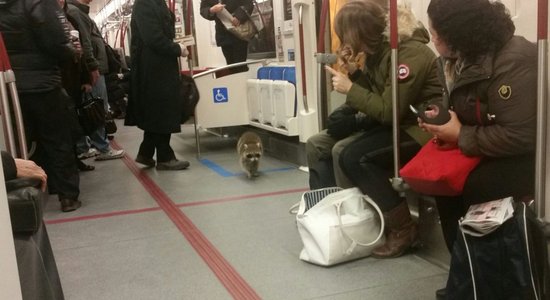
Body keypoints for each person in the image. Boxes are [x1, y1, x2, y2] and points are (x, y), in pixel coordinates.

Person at [308, 0, 441, 258]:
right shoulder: (377, 52)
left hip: (419, 128)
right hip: (393, 123)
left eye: (345, 35)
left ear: (358, 33)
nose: (343, 41)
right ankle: (329, 214)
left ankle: (401, 228)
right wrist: (356, 73)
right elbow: (378, 94)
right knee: (318, 144)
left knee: (351, 154)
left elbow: (389, 110)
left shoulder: (408, 53)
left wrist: (351, 88)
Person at [423, 0, 537, 298]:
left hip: (528, 156)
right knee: (443, 185)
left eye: (437, 32)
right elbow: (466, 112)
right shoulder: (457, 61)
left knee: (475, 187)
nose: (433, 38)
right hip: (487, 144)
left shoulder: (514, 59)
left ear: (459, 31)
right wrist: (443, 124)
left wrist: (460, 133)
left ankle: (488, 279)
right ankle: (467, 272)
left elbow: (522, 135)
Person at [0, 0, 83, 212]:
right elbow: (55, 42)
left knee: (22, 143)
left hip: (9, 87)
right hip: (44, 83)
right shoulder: (38, 2)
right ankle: (67, 196)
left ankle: (26, 197)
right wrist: (72, 51)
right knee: (58, 139)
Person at [125, 0, 191, 170]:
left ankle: (146, 152)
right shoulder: (145, 5)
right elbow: (153, 38)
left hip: (161, 66)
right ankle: (165, 157)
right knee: (162, 110)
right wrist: (177, 48)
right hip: (153, 68)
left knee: (158, 111)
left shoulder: (155, 3)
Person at [66, 0, 125, 161]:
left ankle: (84, 146)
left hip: (95, 66)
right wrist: (92, 67)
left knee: (89, 107)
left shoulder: (78, 12)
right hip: (95, 68)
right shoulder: (76, 12)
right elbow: (85, 42)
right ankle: (103, 147)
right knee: (96, 108)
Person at [200, 0, 254, 74]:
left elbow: (249, 4)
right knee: (231, 66)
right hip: (223, 33)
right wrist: (212, 10)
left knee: (240, 65)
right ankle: (234, 84)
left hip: (240, 32)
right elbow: (203, 9)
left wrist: (238, 17)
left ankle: (242, 83)